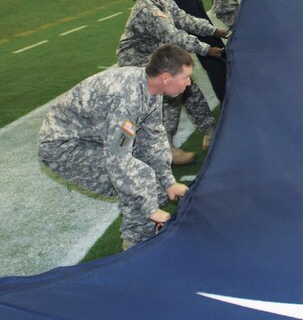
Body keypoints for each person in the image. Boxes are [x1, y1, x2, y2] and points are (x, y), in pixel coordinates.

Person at [38, 45, 192, 249]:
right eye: (185, 77)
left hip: (91, 136)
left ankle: (142, 231)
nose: (189, 83)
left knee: (155, 184)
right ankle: (136, 244)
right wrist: (148, 209)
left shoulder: (151, 88)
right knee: (140, 178)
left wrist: (168, 181)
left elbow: (154, 138)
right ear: (165, 77)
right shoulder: (125, 100)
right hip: (62, 145)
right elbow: (117, 159)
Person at [119, 0, 228, 160]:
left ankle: (209, 132)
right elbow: (173, 35)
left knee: (187, 87)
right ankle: (166, 148)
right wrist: (206, 49)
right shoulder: (147, 9)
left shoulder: (162, 0)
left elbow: (185, 20)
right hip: (137, 61)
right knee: (170, 96)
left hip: (156, 57)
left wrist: (213, 31)